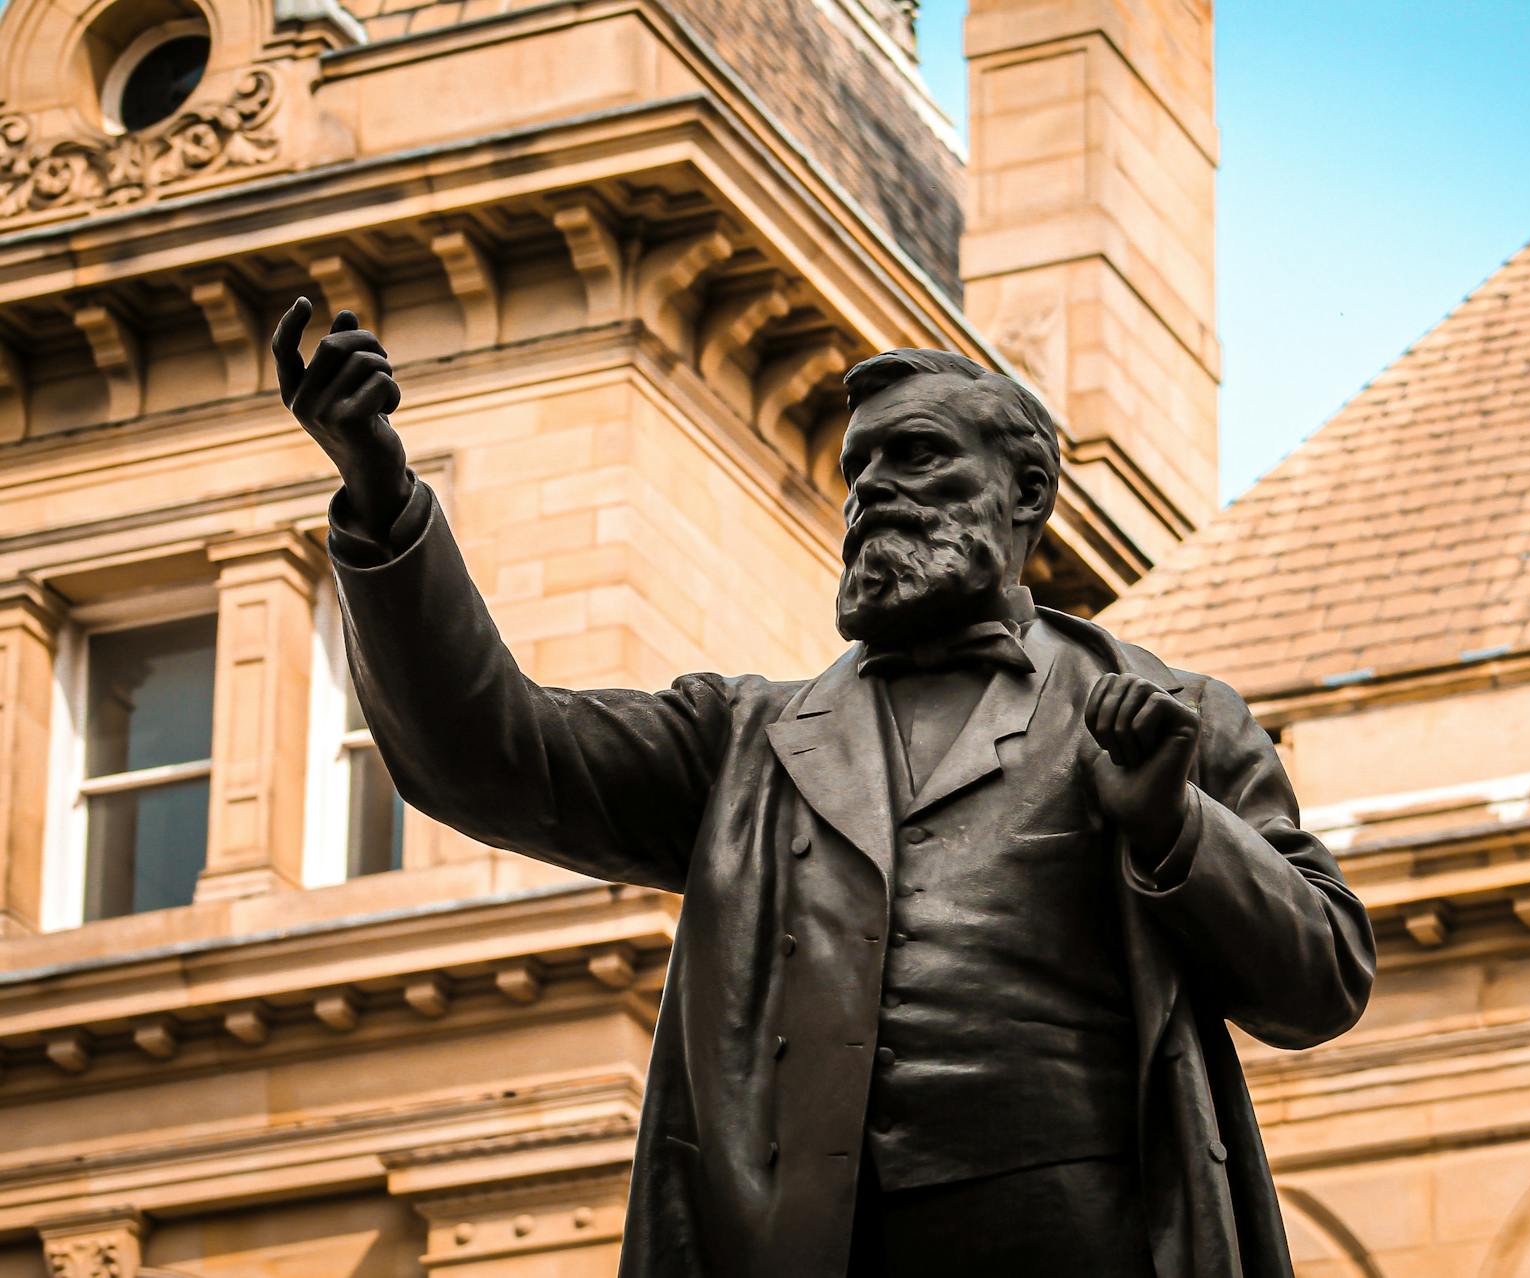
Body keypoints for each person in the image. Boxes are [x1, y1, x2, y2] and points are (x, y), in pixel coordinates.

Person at [273, 299, 1375, 1278]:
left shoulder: (1167, 713)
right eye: (859, 470)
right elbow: (491, 754)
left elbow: (1321, 978)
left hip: (1085, 1232)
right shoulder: (744, 741)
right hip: (803, 1240)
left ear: (1026, 489)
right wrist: (383, 502)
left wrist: (1177, 828)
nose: (874, 492)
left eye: (917, 455)